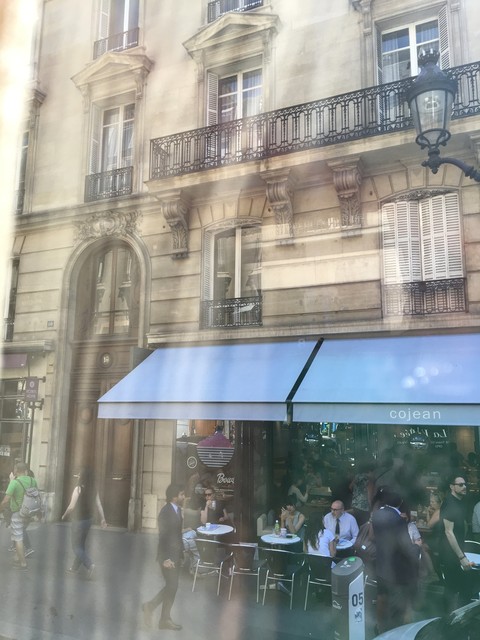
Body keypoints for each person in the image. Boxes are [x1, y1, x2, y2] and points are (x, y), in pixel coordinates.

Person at [371, 488, 421, 634]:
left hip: (381, 565)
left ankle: (380, 628)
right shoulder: (397, 520)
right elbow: (406, 548)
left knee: (381, 597)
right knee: (398, 604)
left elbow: (374, 537)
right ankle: (397, 632)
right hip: (396, 569)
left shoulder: (377, 514)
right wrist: (417, 547)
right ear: (401, 502)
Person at [142, 484, 185, 631]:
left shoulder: (177, 510)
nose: (184, 497)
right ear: (174, 497)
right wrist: (166, 558)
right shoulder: (165, 512)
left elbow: (177, 534)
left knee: (172, 587)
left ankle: (163, 618)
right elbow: (163, 536)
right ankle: (153, 610)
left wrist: (181, 554)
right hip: (167, 557)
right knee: (172, 586)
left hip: (175, 556)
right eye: (181, 494)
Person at [61, 467, 107, 578]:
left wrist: (64, 515)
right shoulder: (94, 489)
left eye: (79, 474)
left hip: (78, 521)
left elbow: (71, 506)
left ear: (82, 477)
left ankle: (90, 565)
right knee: (81, 545)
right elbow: (99, 505)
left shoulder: (78, 489)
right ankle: (74, 568)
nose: (77, 475)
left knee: (75, 547)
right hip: (88, 521)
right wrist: (103, 519)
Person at [440, 474, 476, 611]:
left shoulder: (459, 502)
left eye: (465, 484)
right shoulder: (450, 503)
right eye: (460, 485)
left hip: (455, 552)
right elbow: (449, 532)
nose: (464, 487)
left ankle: (452, 616)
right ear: (452, 486)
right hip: (450, 554)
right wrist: (461, 557)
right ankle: (448, 618)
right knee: (455, 588)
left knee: (458, 587)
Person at [0, 461, 38, 570]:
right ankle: (17, 557)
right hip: (29, 513)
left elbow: (6, 500)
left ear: (16, 471)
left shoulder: (15, 483)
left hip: (17, 513)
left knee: (18, 539)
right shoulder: (33, 481)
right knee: (20, 533)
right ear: (26, 471)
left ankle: (23, 564)